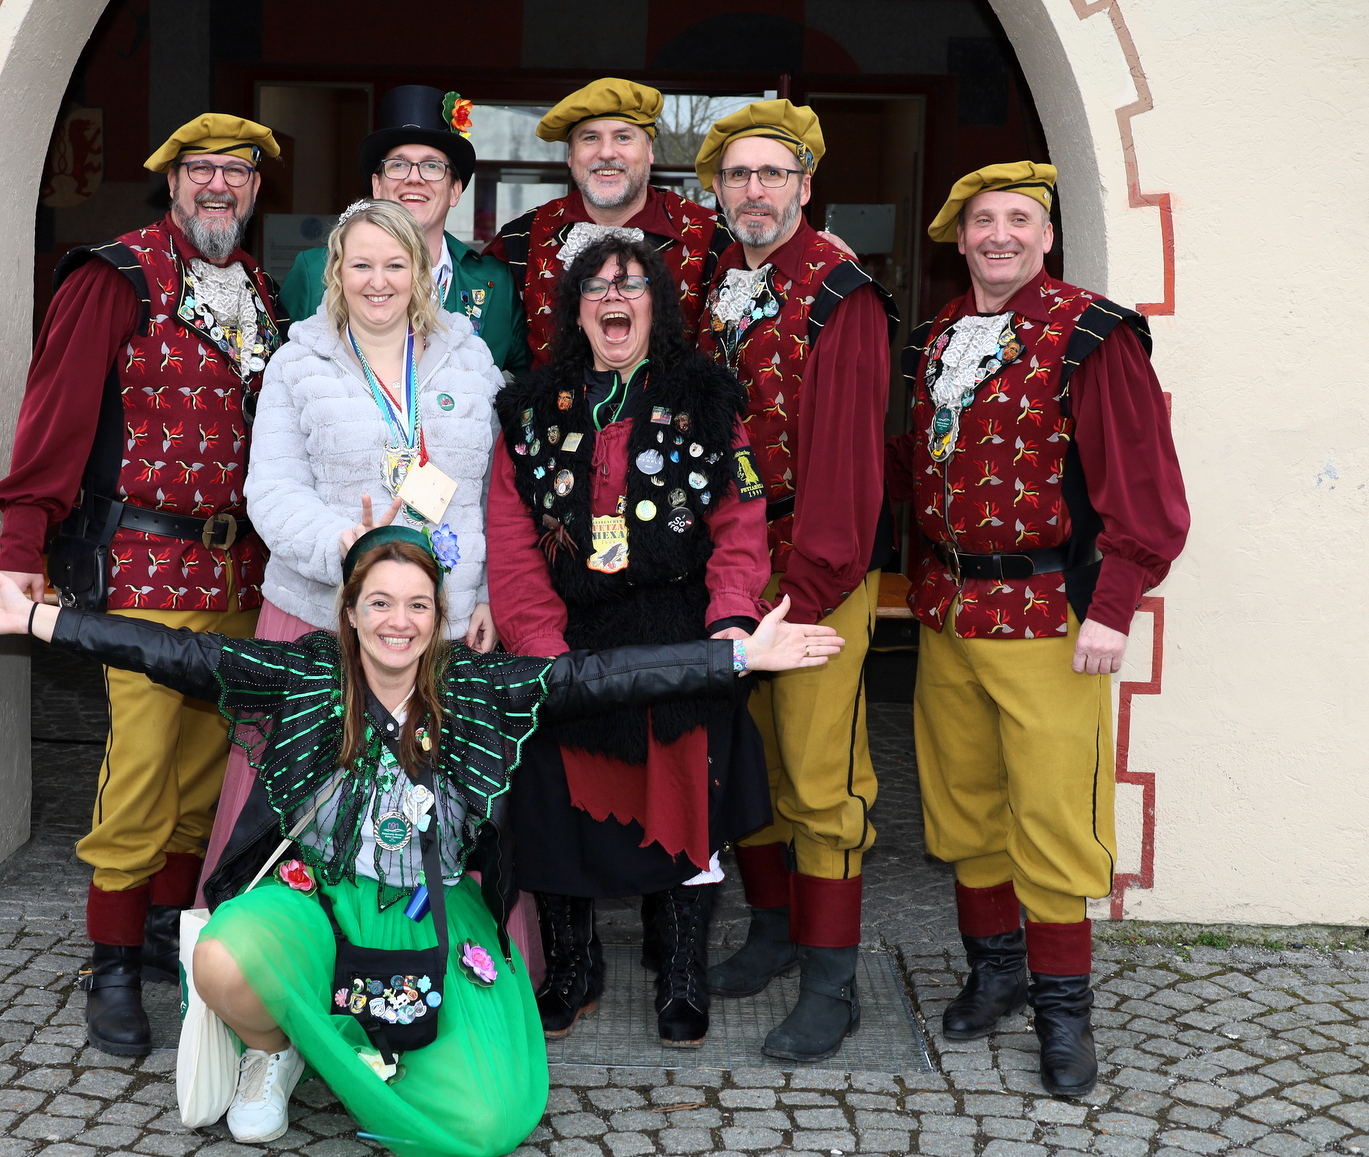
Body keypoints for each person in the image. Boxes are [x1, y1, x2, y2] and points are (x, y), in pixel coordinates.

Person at [0, 531, 842, 1155]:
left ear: (438, 614)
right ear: (350, 611)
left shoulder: (478, 687)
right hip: (315, 896)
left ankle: (363, 1049)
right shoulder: (301, 674)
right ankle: (273, 1048)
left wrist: (738, 657)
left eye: (416, 604)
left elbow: (601, 677)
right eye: (379, 602)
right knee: (223, 958)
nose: (397, 621)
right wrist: (36, 619)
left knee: (486, 1121)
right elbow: (173, 653)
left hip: (434, 913)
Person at [888, 162, 1189, 1096]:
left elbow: (1146, 490)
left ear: (1047, 235)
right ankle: (997, 973)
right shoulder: (936, 336)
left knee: (1055, 818)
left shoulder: (1093, 335)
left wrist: (1113, 607)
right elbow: (910, 466)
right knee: (965, 806)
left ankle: (1065, 1012)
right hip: (947, 609)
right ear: (961, 237)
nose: (1000, 236)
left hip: (1050, 618)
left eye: (1019, 219)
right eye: (983, 220)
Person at [0, 113, 285, 1055]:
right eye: (200, 169)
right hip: (146, 569)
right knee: (142, 768)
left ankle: (163, 931)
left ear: (255, 189)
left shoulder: (263, 291)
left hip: (243, 570)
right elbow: (56, 414)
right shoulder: (113, 275)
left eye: (236, 171)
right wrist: (23, 544)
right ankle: (109, 964)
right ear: (172, 181)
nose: (217, 185)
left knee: (205, 769)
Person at [486, 235, 772, 1047]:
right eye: (597, 286)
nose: (615, 297)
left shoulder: (706, 398)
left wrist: (728, 622)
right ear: (576, 309)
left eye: (633, 283)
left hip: (677, 626)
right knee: (554, 802)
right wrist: (540, 645)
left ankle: (681, 968)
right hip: (566, 631)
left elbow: (741, 522)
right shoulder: (530, 409)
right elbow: (510, 537)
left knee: (684, 795)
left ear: (658, 305)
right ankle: (573, 967)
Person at [198, 198, 507, 903]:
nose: (378, 281)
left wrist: (489, 592)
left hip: (442, 619)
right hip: (319, 616)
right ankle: (298, 953)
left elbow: (494, 494)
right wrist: (340, 543)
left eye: (395, 264)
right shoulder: (297, 364)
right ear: (336, 270)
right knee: (308, 810)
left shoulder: (471, 359)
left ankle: (432, 951)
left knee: (434, 809)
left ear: (421, 271)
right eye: (361, 264)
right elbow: (271, 490)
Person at [692, 100, 898, 1064]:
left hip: (813, 569)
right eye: (739, 175)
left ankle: (831, 982)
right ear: (718, 191)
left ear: (806, 186)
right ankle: (772, 933)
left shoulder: (840, 292)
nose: (755, 189)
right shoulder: (720, 281)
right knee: (752, 767)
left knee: (821, 780)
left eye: (773, 173)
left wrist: (806, 592)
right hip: (731, 570)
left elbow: (849, 465)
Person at [280, 86, 529, 376]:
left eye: (432, 166)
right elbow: (280, 374)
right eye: (398, 164)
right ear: (377, 186)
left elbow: (533, 382)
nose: (414, 178)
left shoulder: (496, 282)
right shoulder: (313, 271)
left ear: (455, 191)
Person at [484, 78, 730, 366]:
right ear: (571, 155)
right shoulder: (520, 238)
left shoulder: (712, 235)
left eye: (623, 137)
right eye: (590, 138)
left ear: (649, 150)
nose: (606, 152)